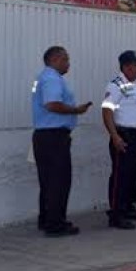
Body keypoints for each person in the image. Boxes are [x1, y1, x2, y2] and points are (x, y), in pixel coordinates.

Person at [31, 46, 91, 237]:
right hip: (54, 137)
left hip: (45, 136)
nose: (68, 64)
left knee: (48, 182)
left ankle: (47, 219)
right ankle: (56, 224)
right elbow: (52, 104)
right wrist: (76, 110)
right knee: (59, 181)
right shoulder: (51, 78)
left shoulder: (42, 77)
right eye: (66, 59)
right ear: (55, 59)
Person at [101, 50, 136, 230]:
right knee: (121, 176)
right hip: (123, 135)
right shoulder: (116, 85)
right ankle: (116, 214)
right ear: (125, 67)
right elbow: (107, 111)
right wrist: (114, 136)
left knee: (134, 173)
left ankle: (129, 206)